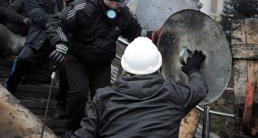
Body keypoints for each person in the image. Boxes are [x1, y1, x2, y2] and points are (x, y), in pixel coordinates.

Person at [46, 0, 151, 136]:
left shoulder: (123, 14)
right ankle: (73, 128)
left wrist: (154, 38)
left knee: (102, 97)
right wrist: (60, 43)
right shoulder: (82, 8)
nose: (123, 4)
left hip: (101, 62)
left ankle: (97, 129)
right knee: (79, 93)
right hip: (77, 58)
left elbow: (136, 33)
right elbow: (56, 22)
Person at [72, 37, 208, 138]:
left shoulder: (104, 97)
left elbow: (85, 134)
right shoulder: (174, 94)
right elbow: (200, 89)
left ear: (125, 67)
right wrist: (193, 70)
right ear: (158, 66)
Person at [4, 0, 64, 94]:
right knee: (23, 59)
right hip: (40, 36)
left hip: (59, 35)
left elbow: (66, 9)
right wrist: (61, 20)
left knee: (67, 65)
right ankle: (10, 87)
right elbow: (41, 18)